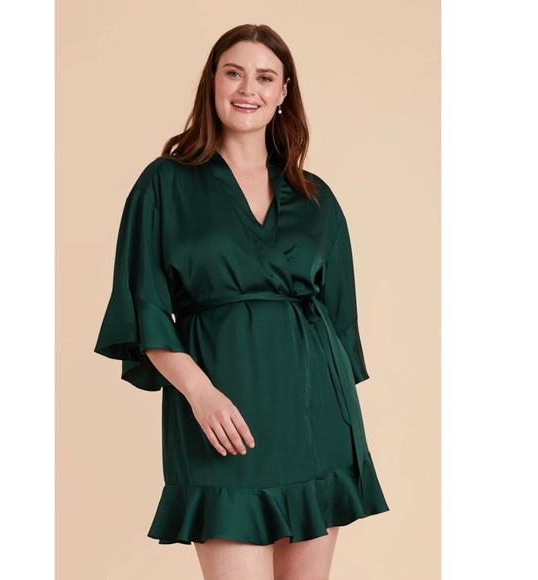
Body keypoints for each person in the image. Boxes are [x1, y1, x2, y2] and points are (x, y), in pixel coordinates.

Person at [94, 23, 389, 580]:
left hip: (316, 421)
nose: (248, 88)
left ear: (283, 93)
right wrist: (200, 394)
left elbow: (340, 322)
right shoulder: (165, 183)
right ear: (212, 81)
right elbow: (144, 307)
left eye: (265, 77)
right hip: (220, 421)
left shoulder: (315, 197)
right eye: (234, 72)